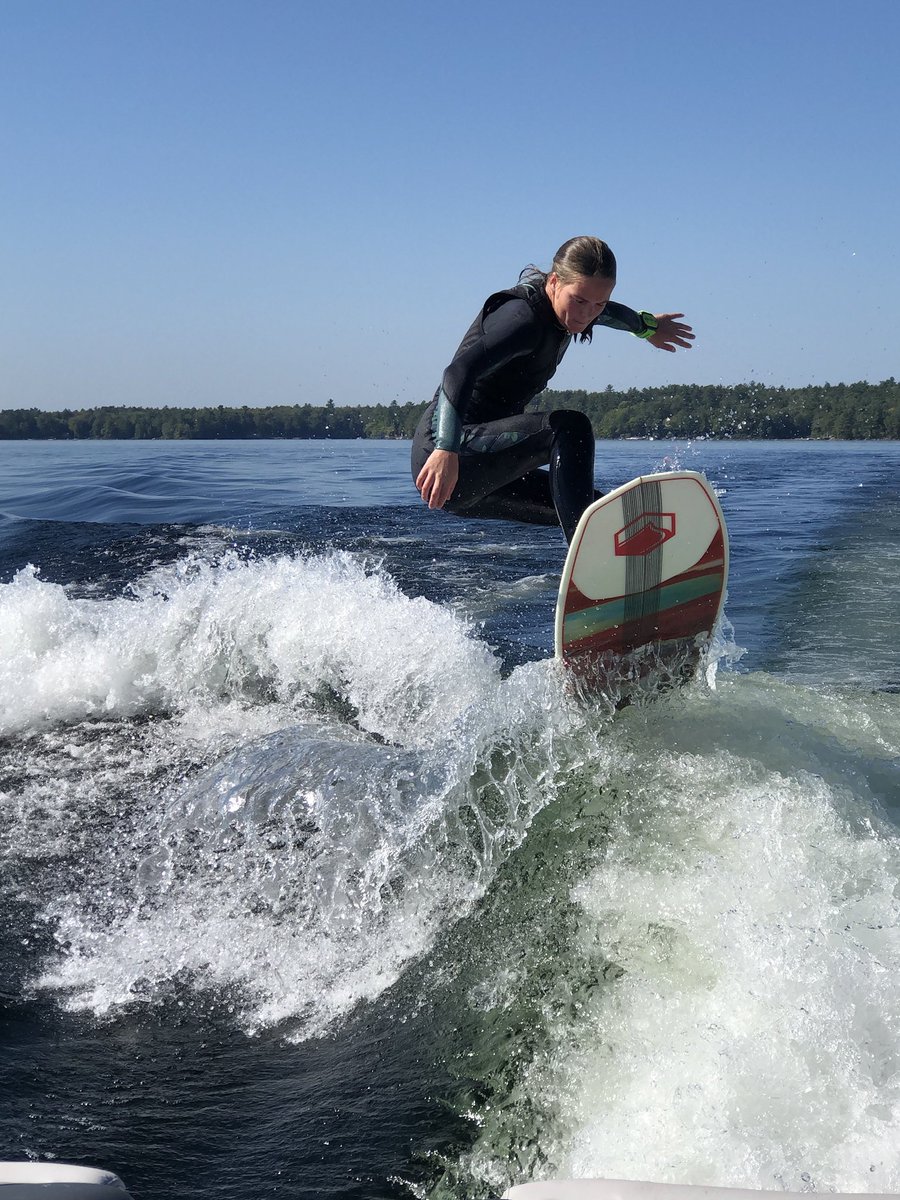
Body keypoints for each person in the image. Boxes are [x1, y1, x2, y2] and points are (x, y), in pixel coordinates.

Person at [411, 236, 694, 543]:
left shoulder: (572, 308)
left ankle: (611, 573)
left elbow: (610, 312)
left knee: (595, 512)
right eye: (580, 300)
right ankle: (591, 557)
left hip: (484, 471)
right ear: (555, 281)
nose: (588, 314)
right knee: (569, 429)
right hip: (449, 457)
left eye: (598, 303)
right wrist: (445, 450)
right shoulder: (524, 319)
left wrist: (647, 327)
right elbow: (458, 372)